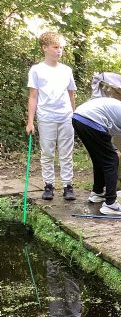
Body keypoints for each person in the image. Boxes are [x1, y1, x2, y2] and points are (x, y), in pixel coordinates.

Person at [26, 31, 77, 201]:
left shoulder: (66, 70)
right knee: (47, 152)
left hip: (66, 117)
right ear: (45, 48)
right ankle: (48, 185)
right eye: (55, 47)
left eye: (61, 47)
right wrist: (30, 121)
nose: (59, 50)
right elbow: (33, 96)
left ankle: (68, 185)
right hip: (46, 116)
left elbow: (71, 94)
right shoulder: (37, 70)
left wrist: (74, 116)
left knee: (66, 153)